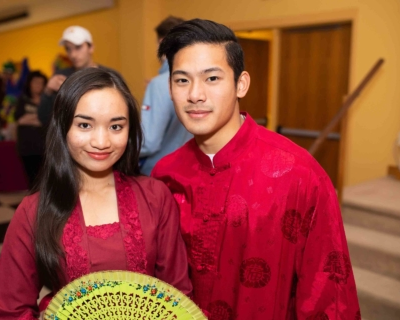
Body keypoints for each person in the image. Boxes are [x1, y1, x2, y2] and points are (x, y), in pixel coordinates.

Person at [152, 19, 360, 319]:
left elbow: (329, 294)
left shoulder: (298, 174)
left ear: (241, 84)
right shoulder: (166, 174)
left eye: (212, 79)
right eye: (182, 80)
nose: (195, 94)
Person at [0, 68, 192, 319]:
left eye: (116, 126)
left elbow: (177, 293)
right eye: (85, 124)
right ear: (63, 127)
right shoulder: (35, 210)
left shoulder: (155, 196)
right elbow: (11, 308)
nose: (101, 141)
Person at [38, 26, 123, 126]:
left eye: (78, 47)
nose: (73, 54)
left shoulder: (111, 76)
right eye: (68, 49)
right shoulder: (60, 77)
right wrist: (48, 91)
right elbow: (43, 118)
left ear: (91, 47)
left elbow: (124, 113)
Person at [139, 16, 192, 175]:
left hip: (157, 174)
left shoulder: (160, 84)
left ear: (162, 43)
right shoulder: (196, 81)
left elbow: (149, 142)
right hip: (185, 170)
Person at [14, 70, 48, 187]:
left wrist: (29, 118)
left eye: (41, 83)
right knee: (32, 181)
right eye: (35, 82)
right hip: (26, 148)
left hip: (44, 147)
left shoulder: (47, 101)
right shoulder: (23, 100)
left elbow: (47, 120)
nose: (38, 85)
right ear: (29, 83)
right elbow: (19, 120)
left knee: (45, 181)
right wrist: (39, 116)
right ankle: (34, 204)